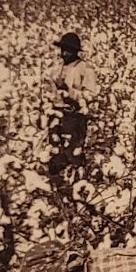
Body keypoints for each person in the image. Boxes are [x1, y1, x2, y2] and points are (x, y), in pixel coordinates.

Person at [45, 31, 100, 188]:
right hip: (57, 115)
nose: (64, 53)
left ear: (75, 51)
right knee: (55, 152)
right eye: (62, 49)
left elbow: (90, 95)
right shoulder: (58, 68)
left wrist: (70, 93)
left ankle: (74, 186)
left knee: (72, 155)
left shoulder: (85, 69)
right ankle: (57, 188)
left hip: (74, 118)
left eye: (67, 50)